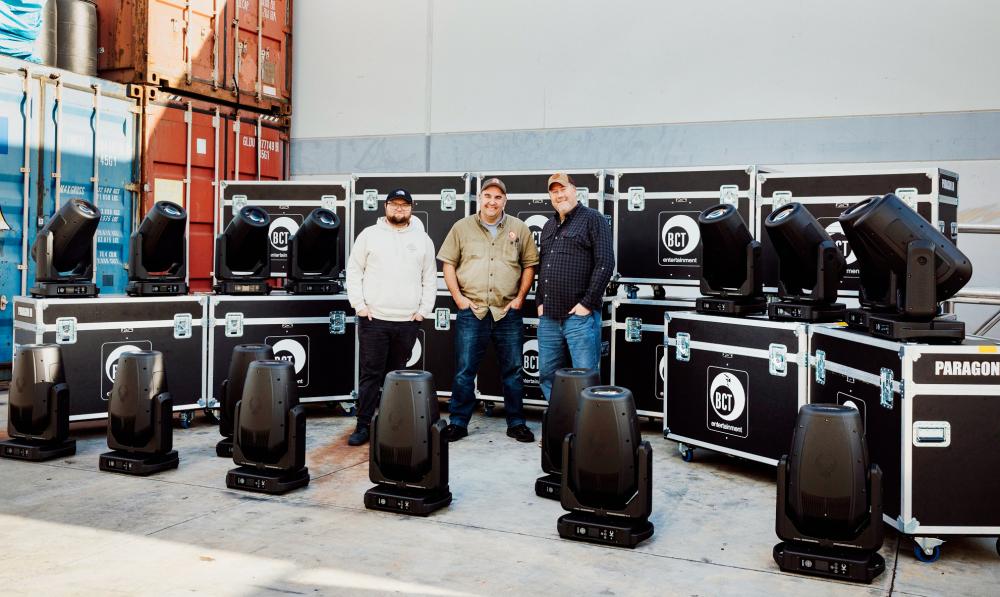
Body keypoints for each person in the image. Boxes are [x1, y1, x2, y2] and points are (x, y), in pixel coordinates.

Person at [436, 177, 539, 442]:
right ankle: (458, 422)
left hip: (508, 311)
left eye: (498, 197)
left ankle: (516, 423)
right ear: (480, 198)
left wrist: (520, 298)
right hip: (473, 310)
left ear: (505, 200)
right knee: (465, 371)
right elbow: (448, 264)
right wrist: (458, 298)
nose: (492, 201)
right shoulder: (461, 228)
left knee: (513, 371)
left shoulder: (519, 228)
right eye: (488, 196)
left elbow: (529, 265)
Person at [345, 188, 437, 446]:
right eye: (394, 204)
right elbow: (354, 271)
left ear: (411, 208)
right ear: (385, 206)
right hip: (374, 320)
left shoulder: (423, 240)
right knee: (370, 375)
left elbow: (429, 277)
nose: (399, 208)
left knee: (396, 378)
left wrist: (423, 311)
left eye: (404, 204)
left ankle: (392, 427)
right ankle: (363, 426)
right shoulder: (369, 235)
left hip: (407, 322)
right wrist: (359, 306)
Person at [536, 172, 615, 400]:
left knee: (585, 377)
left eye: (563, 189)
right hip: (549, 318)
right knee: (547, 375)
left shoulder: (593, 219)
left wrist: (586, 304)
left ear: (575, 191)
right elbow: (543, 267)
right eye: (554, 191)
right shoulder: (548, 226)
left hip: (579, 319)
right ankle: (558, 418)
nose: (559, 195)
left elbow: (605, 262)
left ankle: (584, 422)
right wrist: (539, 303)